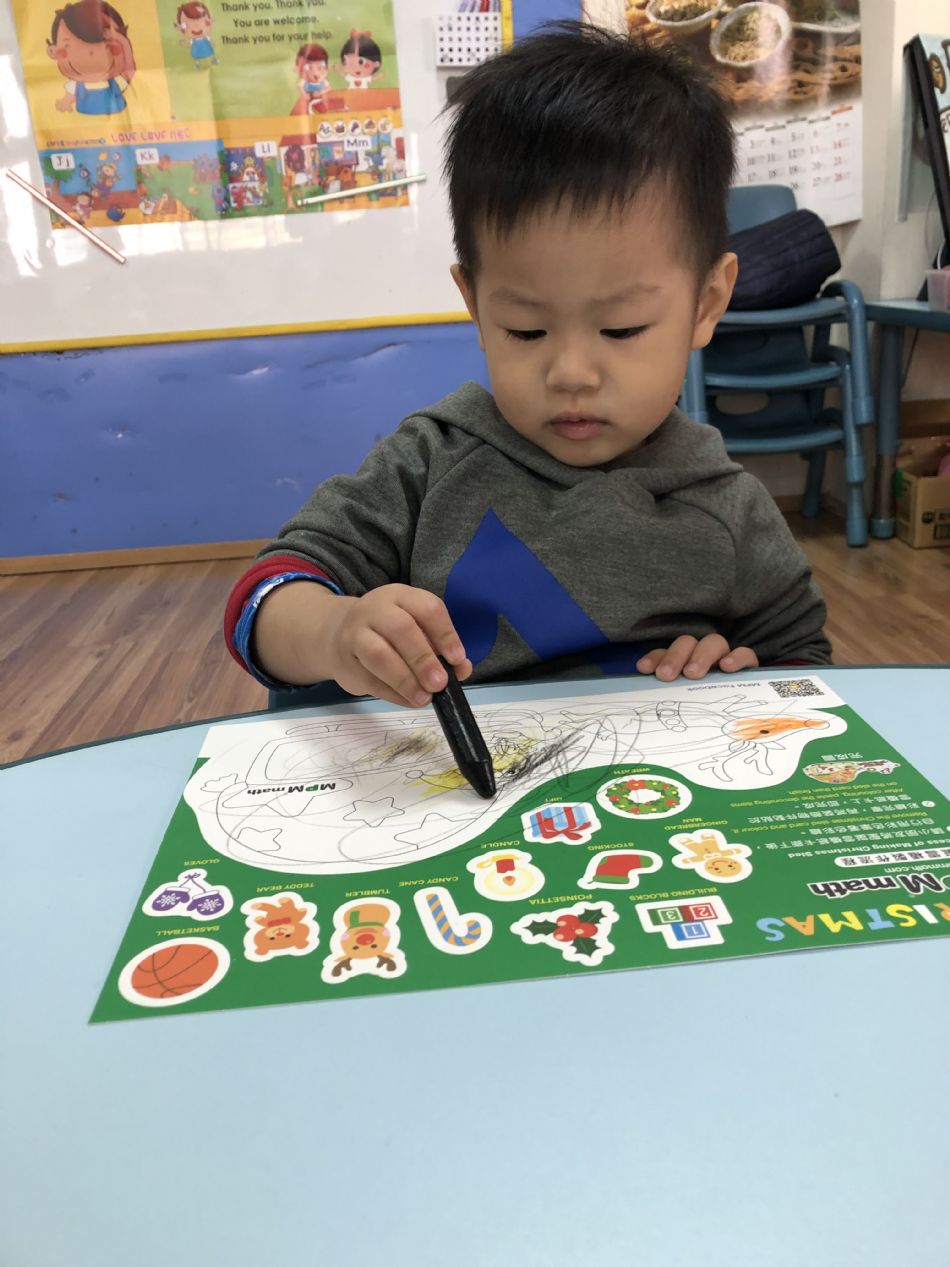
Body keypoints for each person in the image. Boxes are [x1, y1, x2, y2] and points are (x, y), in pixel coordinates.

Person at [224, 21, 831, 711]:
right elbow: (263, 601)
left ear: (706, 303)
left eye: (622, 328)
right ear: (476, 306)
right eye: (526, 329)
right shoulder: (428, 464)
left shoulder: (727, 511)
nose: (571, 372)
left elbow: (804, 669)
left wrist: (739, 673)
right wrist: (334, 630)